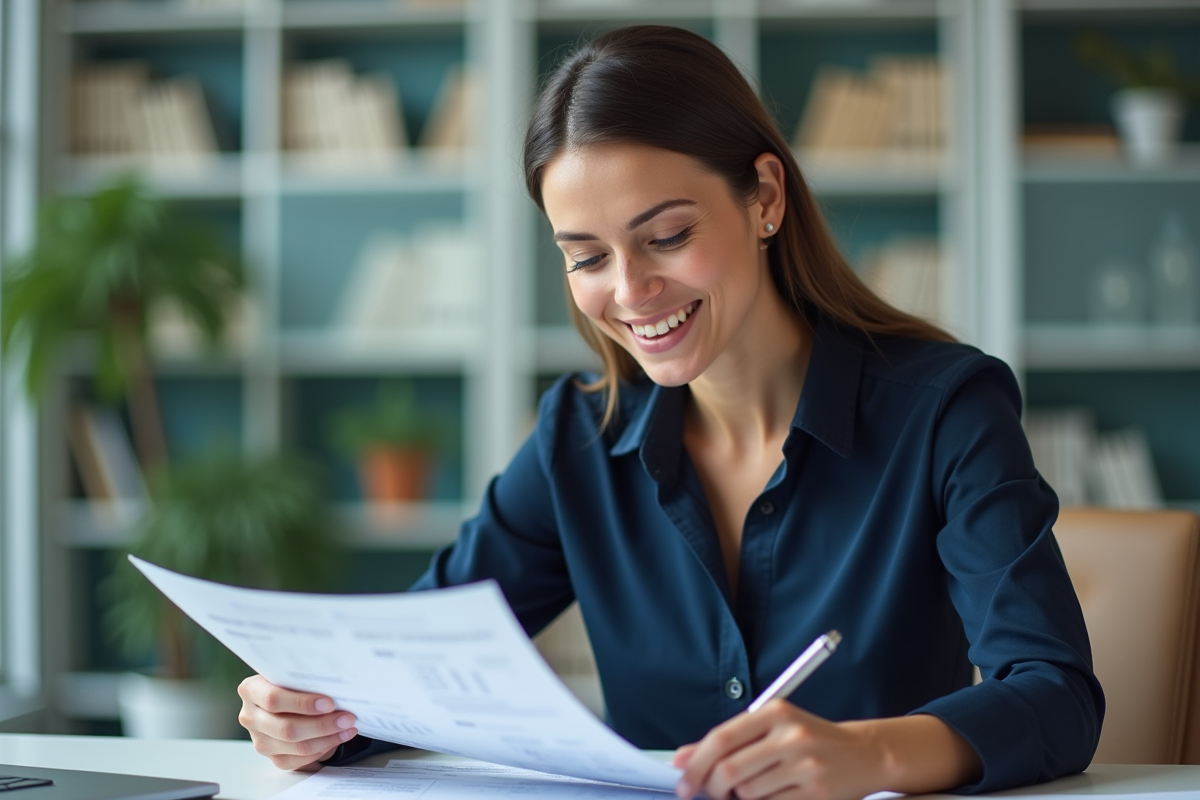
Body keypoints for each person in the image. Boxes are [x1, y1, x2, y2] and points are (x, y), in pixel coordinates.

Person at [237, 25, 1103, 800]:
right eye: (586, 257)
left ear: (765, 197)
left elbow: (1056, 693)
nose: (630, 291)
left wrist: (868, 756)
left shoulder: (946, 410)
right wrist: (317, 717)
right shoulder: (582, 434)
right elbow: (414, 672)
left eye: (667, 236)